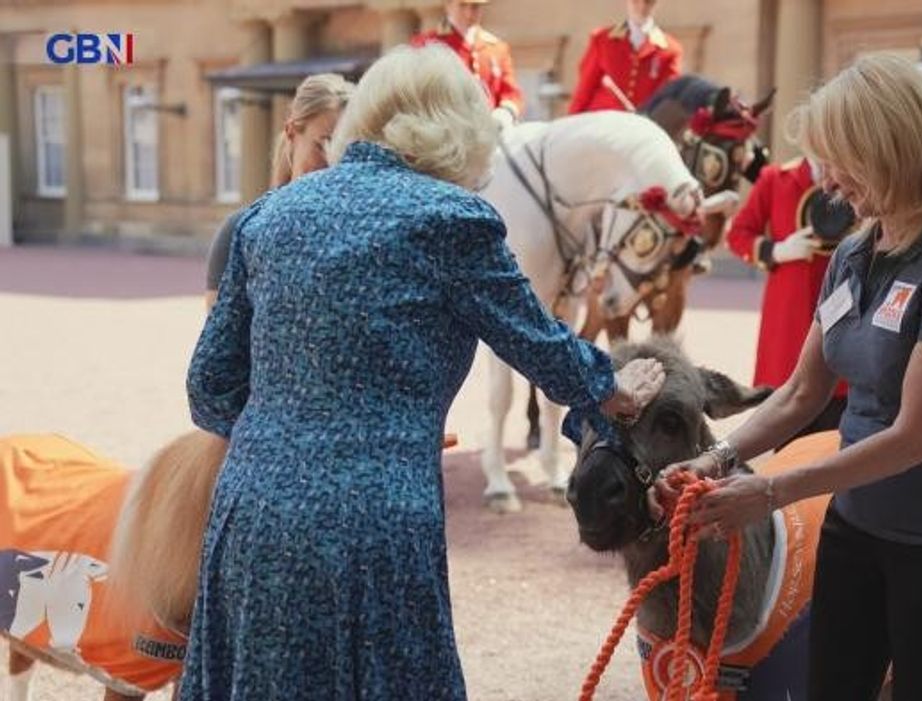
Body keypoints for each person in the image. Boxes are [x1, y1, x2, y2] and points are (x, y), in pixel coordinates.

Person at [180, 44, 665, 700]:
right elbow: (540, 343)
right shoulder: (450, 219)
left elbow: (209, 386)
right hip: (375, 519)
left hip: (252, 510)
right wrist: (612, 388)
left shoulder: (267, 217)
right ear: (458, 134)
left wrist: (290, 433)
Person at [654, 53, 922, 700]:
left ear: (893, 150)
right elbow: (802, 391)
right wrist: (717, 458)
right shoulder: (854, 250)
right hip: (859, 515)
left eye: (840, 161)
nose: (826, 182)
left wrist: (767, 493)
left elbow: (912, 438)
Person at [725, 155, 849, 439]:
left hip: (842, 304)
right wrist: (776, 251)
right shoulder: (775, 178)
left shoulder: (858, 175)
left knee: (837, 430)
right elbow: (738, 234)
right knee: (788, 427)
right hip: (789, 316)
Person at [205, 73, 353, 308]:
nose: (332, 162)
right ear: (293, 132)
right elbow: (218, 335)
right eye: (322, 145)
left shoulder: (357, 233)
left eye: (342, 150)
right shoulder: (240, 231)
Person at [411, 0, 523, 127]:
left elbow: (511, 92)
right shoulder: (426, 45)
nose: (469, 13)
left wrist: (505, 113)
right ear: (448, 5)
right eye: (462, 5)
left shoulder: (497, 48)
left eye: (475, 6)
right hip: (445, 131)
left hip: (488, 130)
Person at [567, 0, 682, 114]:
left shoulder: (669, 49)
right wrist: (571, 121)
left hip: (640, 124)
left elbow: (668, 97)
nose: (641, 6)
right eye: (635, 1)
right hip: (602, 120)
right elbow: (585, 88)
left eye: (648, 2)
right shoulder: (603, 39)